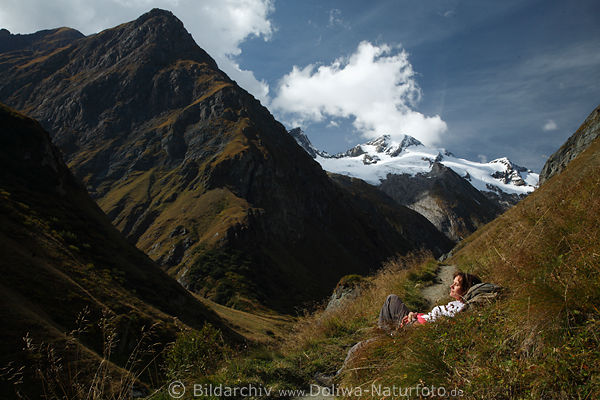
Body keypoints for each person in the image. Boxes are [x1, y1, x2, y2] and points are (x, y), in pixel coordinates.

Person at [377, 271, 481, 331]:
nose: (451, 286)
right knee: (362, 345)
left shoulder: (462, 308)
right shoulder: (456, 304)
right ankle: (385, 333)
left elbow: (437, 324)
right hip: (416, 320)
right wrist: (415, 315)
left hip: (415, 326)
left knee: (392, 299)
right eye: (453, 283)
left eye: (456, 285)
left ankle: (387, 333)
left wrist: (413, 321)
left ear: (466, 290)